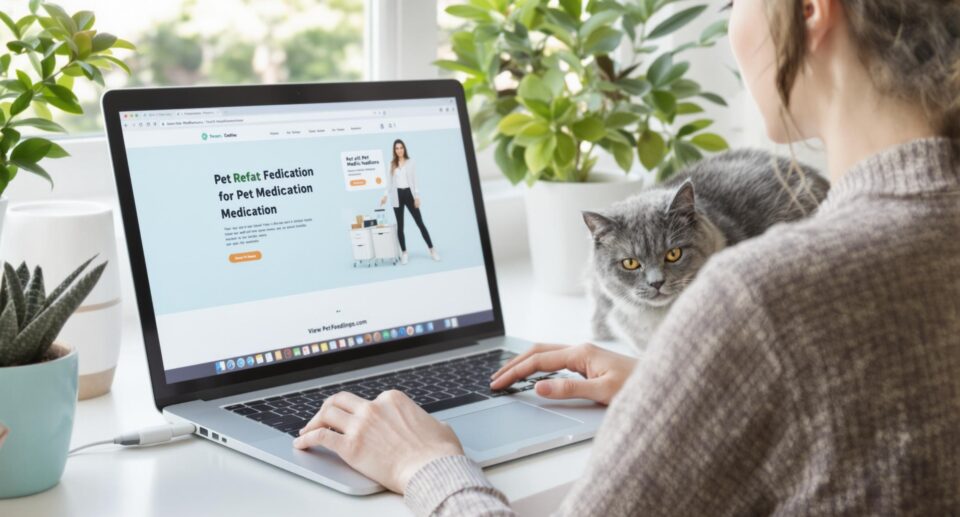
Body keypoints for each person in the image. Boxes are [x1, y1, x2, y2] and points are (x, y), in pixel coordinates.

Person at [296, 0, 960, 514]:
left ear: (811, 11)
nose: (733, 28)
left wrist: (425, 464)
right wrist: (674, 382)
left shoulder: (765, 299)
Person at [380, 139, 440, 265]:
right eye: (397, 148)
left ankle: (432, 250)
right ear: (394, 150)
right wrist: (385, 196)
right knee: (400, 226)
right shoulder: (391, 164)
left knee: (420, 223)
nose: (399, 150)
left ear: (404, 149)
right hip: (397, 195)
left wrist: (417, 196)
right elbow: (389, 183)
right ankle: (404, 253)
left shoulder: (411, 162)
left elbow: (415, 180)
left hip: (409, 194)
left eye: (401, 147)